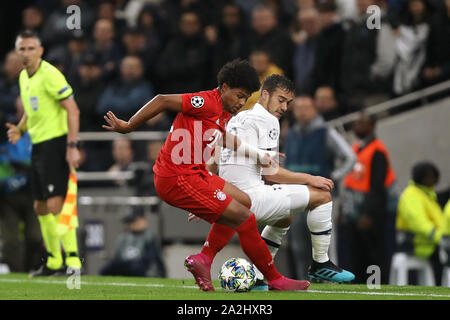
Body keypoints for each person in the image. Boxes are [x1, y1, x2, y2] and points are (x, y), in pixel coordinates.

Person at [103, 59, 310, 291]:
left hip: (196, 174)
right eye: (239, 95)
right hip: (177, 177)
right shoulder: (205, 102)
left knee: (245, 202)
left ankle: (204, 259)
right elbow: (162, 100)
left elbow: (222, 138)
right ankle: (273, 278)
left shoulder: (223, 112)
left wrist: (257, 155)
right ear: (224, 88)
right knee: (245, 218)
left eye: (246, 98)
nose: (241, 103)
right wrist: (129, 125)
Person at [191, 74, 355, 288]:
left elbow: (213, 160)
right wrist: (310, 178)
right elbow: (271, 174)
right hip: (251, 198)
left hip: (232, 201)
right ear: (265, 94)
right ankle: (320, 264)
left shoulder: (237, 118)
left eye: (288, 103)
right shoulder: (268, 120)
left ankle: (259, 276)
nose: (285, 107)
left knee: (284, 218)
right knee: (322, 195)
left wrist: (207, 193)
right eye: (281, 100)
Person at [6, 30, 82, 277]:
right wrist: (21, 128)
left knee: (55, 203)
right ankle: (53, 260)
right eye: (22, 49)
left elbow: (73, 110)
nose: (26, 53)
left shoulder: (50, 75)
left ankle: (72, 260)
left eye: (31, 48)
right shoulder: (23, 78)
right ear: (17, 52)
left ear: (40, 51)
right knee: (39, 206)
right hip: (38, 145)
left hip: (56, 143)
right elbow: (31, 110)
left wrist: (72, 147)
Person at [283, 94, 356, 279]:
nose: (302, 112)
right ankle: (303, 281)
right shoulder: (290, 134)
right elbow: (285, 163)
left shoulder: (326, 132)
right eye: (298, 108)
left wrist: (333, 177)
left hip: (322, 196)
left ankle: (331, 282)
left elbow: (350, 157)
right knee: (298, 243)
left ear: (315, 109)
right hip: (297, 195)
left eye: (306, 108)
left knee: (325, 242)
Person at [339, 112, 398, 284]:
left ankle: (377, 288)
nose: (357, 126)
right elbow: (349, 182)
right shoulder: (356, 148)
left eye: (362, 123)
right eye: (356, 122)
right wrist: (344, 210)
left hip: (370, 212)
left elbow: (378, 187)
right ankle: (359, 290)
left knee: (375, 254)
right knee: (356, 255)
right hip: (353, 210)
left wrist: (369, 214)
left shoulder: (378, 151)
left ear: (372, 126)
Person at [396, 162, 448, 285]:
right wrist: (441, 237)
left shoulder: (428, 194)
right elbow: (419, 223)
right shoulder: (412, 195)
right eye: (432, 177)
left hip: (430, 244)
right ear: (422, 178)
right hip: (416, 244)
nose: (435, 180)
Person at [100, 207, 166, 278]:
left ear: (143, 220)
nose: (131, 224)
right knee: (104, 270)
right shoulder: (123, 238)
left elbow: (147, 264)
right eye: (129, 221)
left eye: (133, 221)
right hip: (128, 273)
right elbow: (115, 262)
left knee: (136, 268)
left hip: (146, 275)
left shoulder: (149, 238)